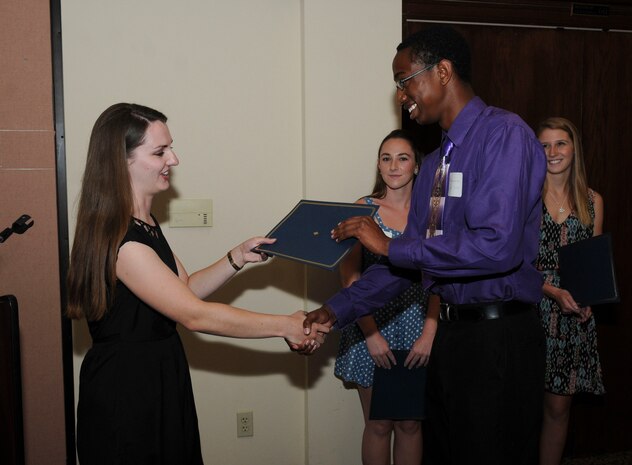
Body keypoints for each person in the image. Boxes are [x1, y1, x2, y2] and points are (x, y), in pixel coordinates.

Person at [299, 25, 547, 465]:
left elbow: (495, 246)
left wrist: (389, 246)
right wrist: (334, 310)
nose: (401, 94)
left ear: (444, 72)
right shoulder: (434, 163)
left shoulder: (503, 136)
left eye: (405, 79)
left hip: (497, 339)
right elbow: (407, 264)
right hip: (451, 339)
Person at [66, 103, 327, 465]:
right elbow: (195, 316)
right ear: (120, 161)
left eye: (170, 147)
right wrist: (284, 325)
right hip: (127, 389)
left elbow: (183, 288)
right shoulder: (122, 242)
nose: (174, 159)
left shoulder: (143, 222)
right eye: (159, 151)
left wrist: (235, 257)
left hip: (160, 373)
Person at [334, 129, 440, 465]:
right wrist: (371, 336)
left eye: (402, 158)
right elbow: (349, 277)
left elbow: (440, 276)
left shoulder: (433, 212)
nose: (394, 166)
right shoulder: (362, 210)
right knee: (378, 423)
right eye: (386, 158)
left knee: (411, 423)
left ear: (416, 166)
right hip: (370, 328)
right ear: (378, 167)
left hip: (418, 329)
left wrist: (429, 333)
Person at [535, 117, 605, 465]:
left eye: (560, 143)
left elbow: (590, 264)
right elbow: (515, 266)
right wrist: (552, 291)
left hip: (572, 318)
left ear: (573, 148)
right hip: (531, 312)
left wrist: (587, 299)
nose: (552, 152)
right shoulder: (525, 200)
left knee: (559, 410)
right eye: (544, 145)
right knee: (523, 407)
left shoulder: (593, 201)